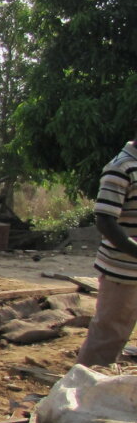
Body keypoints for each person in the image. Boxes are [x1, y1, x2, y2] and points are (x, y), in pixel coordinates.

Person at [77, 131, 137, 366]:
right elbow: (105, 221)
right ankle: (84, 389)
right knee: (109, 334)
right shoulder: (121, 167)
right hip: (123, 270)